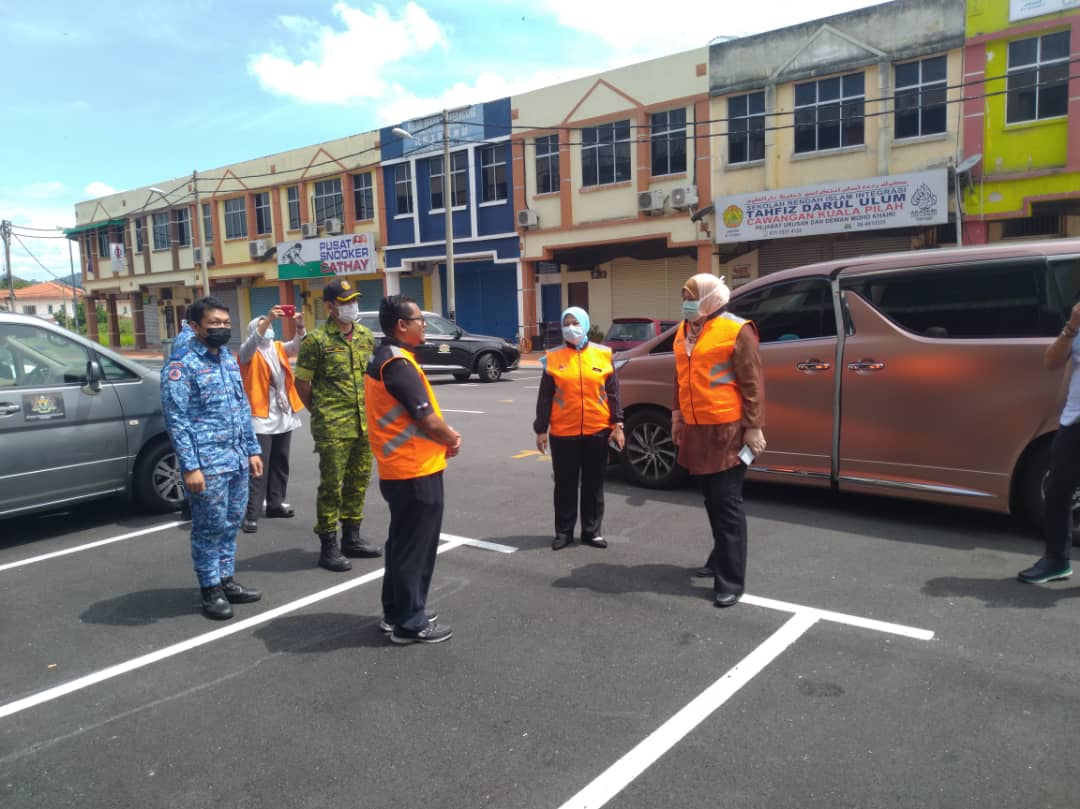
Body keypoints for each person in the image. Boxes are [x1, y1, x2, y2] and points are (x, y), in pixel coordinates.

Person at [365, 295, 461, 643]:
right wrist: (450, 438)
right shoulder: (397, 364)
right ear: (401, 325)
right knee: (415, 548)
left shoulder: (390, 358)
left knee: (403, 544)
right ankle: (410, 623)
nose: (424, 324)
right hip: (413, 468)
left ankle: (397, 612)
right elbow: (426, 418)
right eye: (419, 318)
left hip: (404, 467)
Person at [161, 296, 264, 620]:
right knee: (209, 527)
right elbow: (176, 419)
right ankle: (210, 590)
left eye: (225, 323)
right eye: (213, 324)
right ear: (194, 327)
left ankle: (226, 580)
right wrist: (190, 467)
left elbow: (241, 406)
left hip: (235, 459)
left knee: (231, 523)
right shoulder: (182, 364)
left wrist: (252, 449)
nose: (221, 328)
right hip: (206, 464)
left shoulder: (227, 359)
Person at [672, 274, 766, 608]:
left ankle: (731, 580)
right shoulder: (686, 329)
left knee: (727, 504)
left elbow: (752, 383)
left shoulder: (737, 330)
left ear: (712, 297)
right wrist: (677, 417)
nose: (685, 301)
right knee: (712, 500)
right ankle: (719, 558)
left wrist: (754, 428)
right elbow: (682, 379)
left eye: (691, 296)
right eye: (683, 295)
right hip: (698, 430)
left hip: (728, 431)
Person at [294, 278, 381, 572]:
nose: (351, 307)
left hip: (363, 425)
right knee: (332, 486)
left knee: (358, 483)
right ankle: (328, 546)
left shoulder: (366, 336)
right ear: (330, 307)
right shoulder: (316, 341)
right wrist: (320, 412)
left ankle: (351, 538)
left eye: (353, 300)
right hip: (333, 426)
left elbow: (371, 378)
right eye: (344, 302)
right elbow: (301, 382)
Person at [533, 306, 624, 550]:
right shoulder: (553, 357)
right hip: (564, 433)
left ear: (585, 324)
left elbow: (614, 393)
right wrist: (541, 429)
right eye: (566, 323)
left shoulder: (603, 354)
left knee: (594, 484)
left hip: (598, 430)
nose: (570, 327)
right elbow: (545, 397)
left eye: (575, 322)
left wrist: (618, 425)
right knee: (565, 484)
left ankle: (592, 531)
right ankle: (563, 532)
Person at [1018, 301, 1080, 584]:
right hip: (1073, 421)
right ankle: (1056, 560)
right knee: (1056, 490)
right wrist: (1071, 326)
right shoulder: (1076, 325)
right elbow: (1051, 361)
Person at [238, 305, 307, 533]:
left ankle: (276, 503)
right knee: (259, 466)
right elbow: (254, 341)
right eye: (260, 326)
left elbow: (298, 345)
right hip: (260, 415)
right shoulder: (248, 351)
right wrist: (267, 318)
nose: (266, 328)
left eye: (267, 324)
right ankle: (252, 513)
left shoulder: (277, 347)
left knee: (280, 460)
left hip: (282, 413)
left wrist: (299, 325)